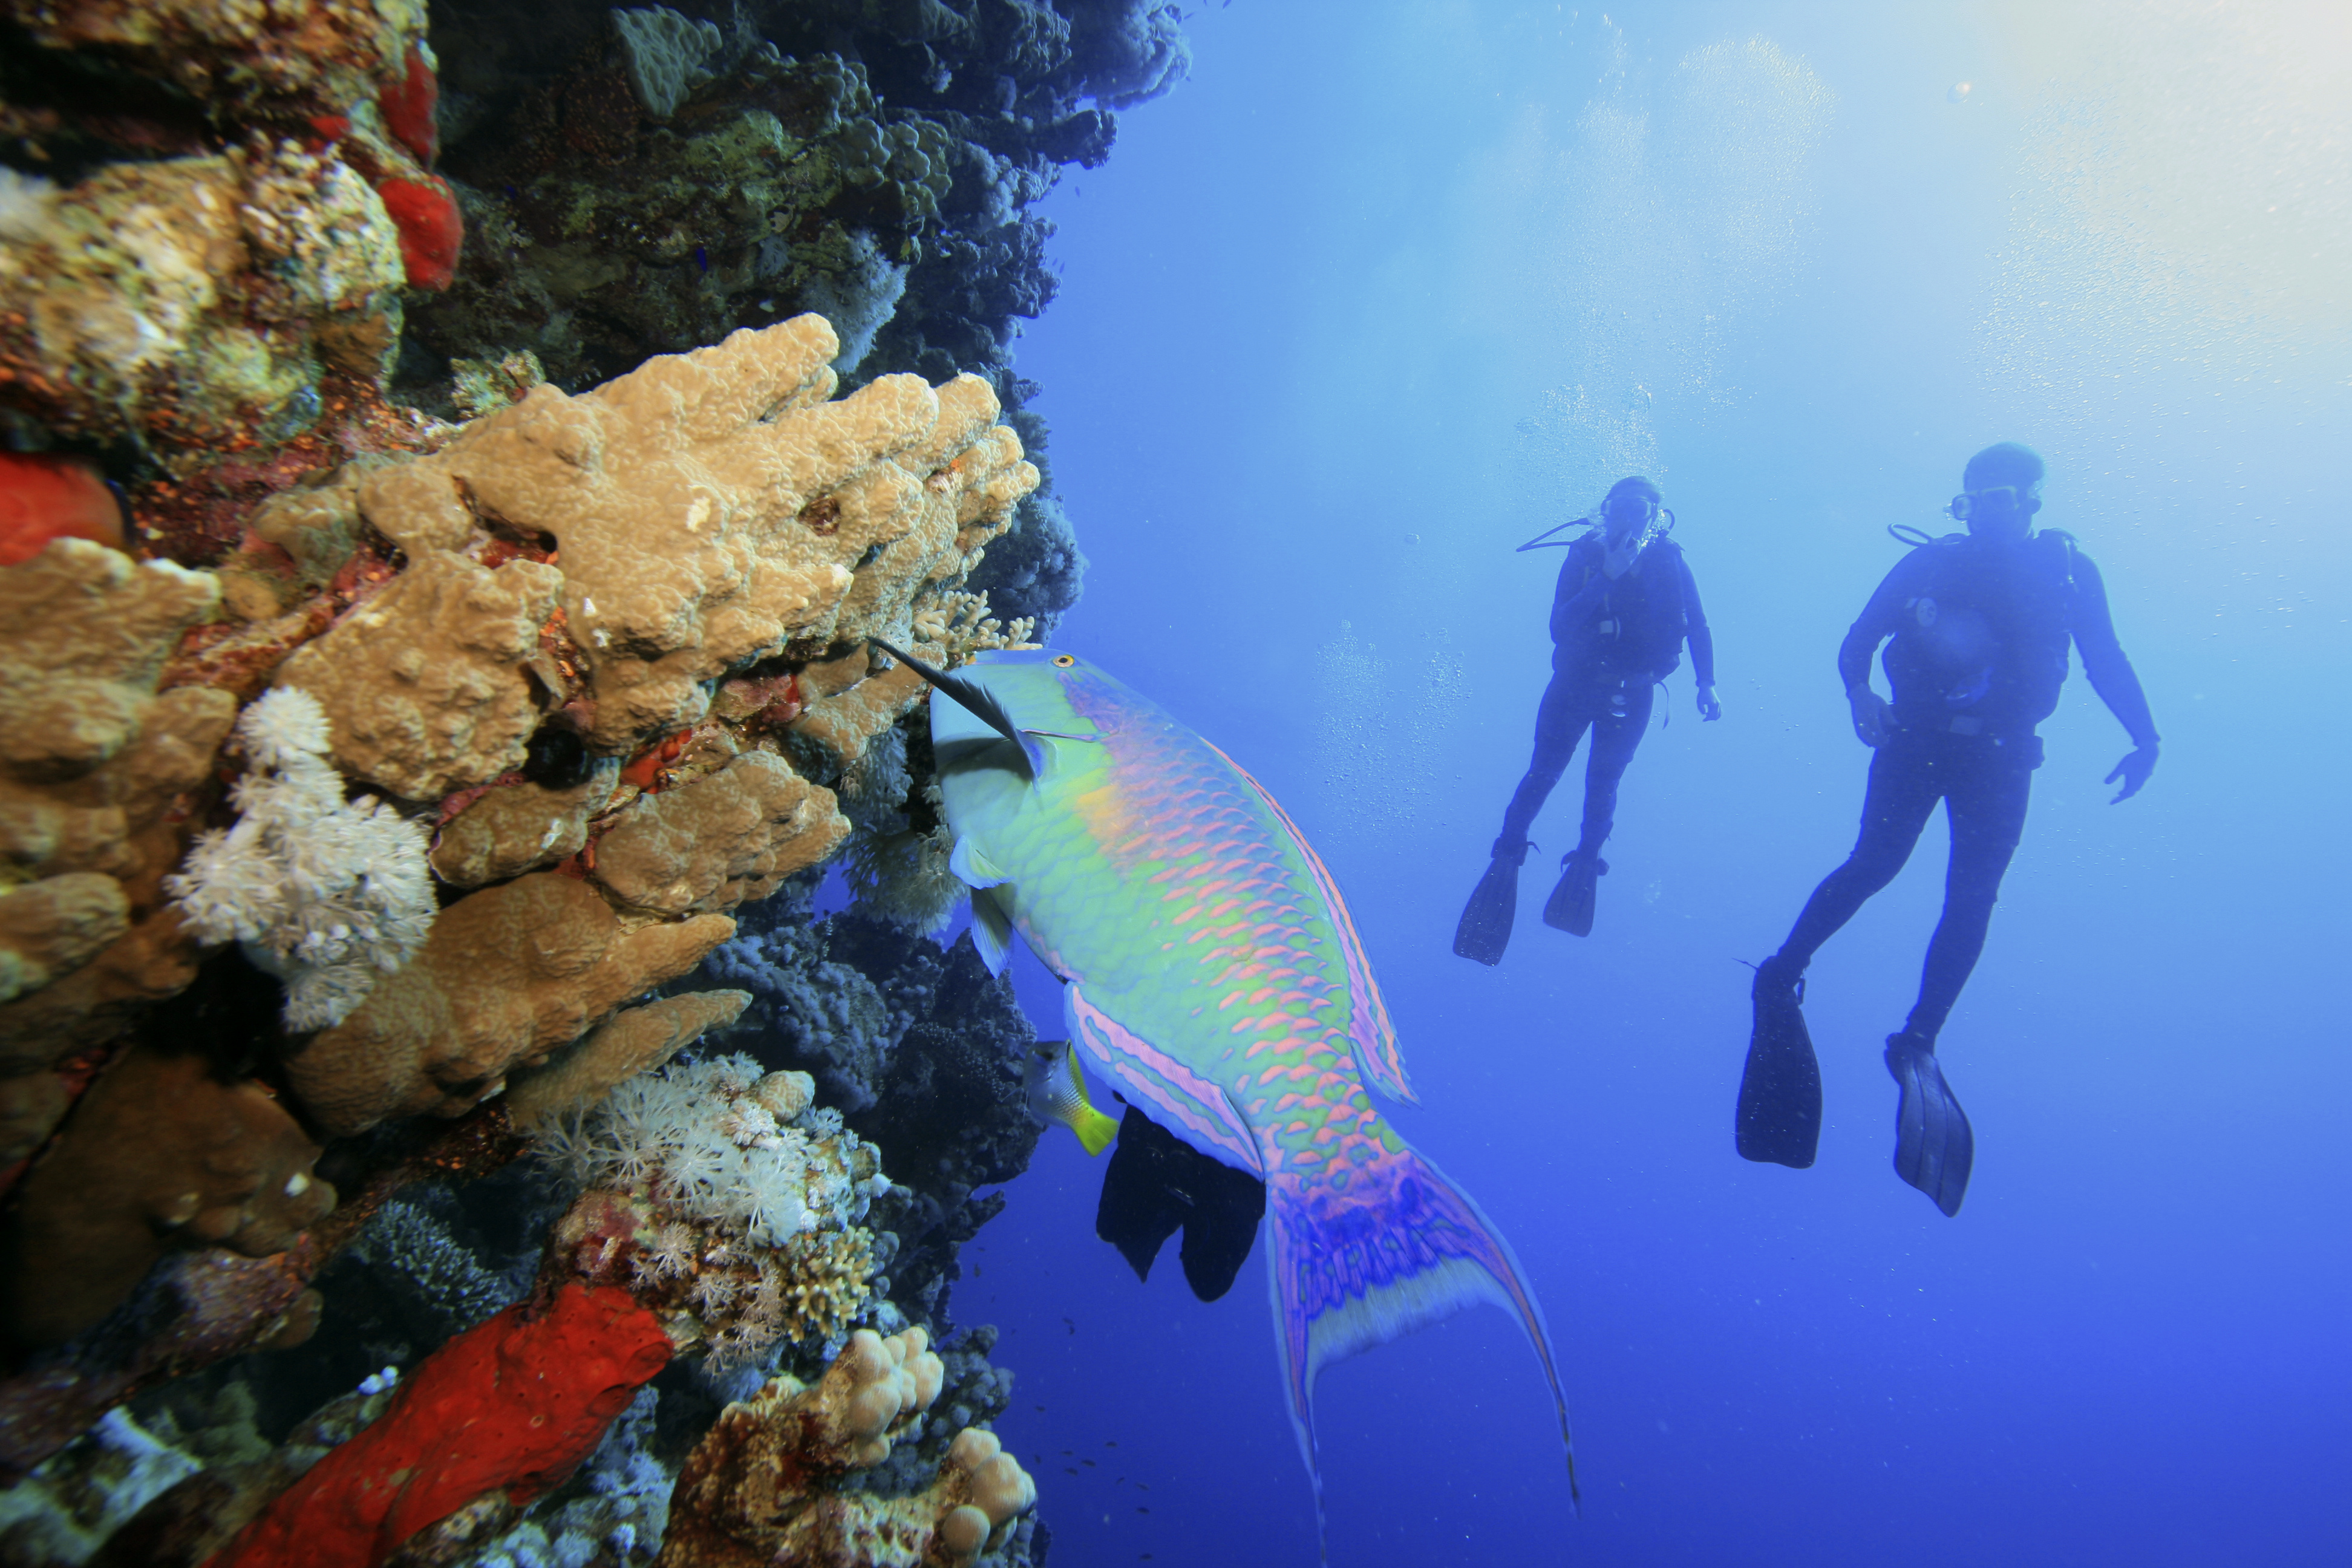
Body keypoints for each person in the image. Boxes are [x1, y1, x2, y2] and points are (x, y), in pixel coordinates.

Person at [1737, 442, 2160, 1216]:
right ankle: (1781, 971)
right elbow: (1858, 638)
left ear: (2034, 498)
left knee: (1973, 899)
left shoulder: (2068, 571)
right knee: (1874, 863)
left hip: (2003, 764)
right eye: (1973, 497)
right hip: (1915, 743)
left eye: (2001, 495)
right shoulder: (1932, 564)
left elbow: (2105, 656)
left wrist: (2147, 735)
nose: (1985, 509)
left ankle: (1920, 1041)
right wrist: (1858, 694)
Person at [1455, 475, 1719, 964]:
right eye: (1622, 508)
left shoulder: (1669, 560)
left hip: (1633, 693)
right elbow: (1559, 627)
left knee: (1603, 785)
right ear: (1606, 511)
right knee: (1543, 774)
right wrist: (1607, 576)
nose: (1630, 519)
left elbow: (1698, 624)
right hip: (1574, 687)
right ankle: (1508, 853)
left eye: (1642, 511)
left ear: (1656, 518)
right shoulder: (1584, 555)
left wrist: (1707, 682)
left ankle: (1586, 861)